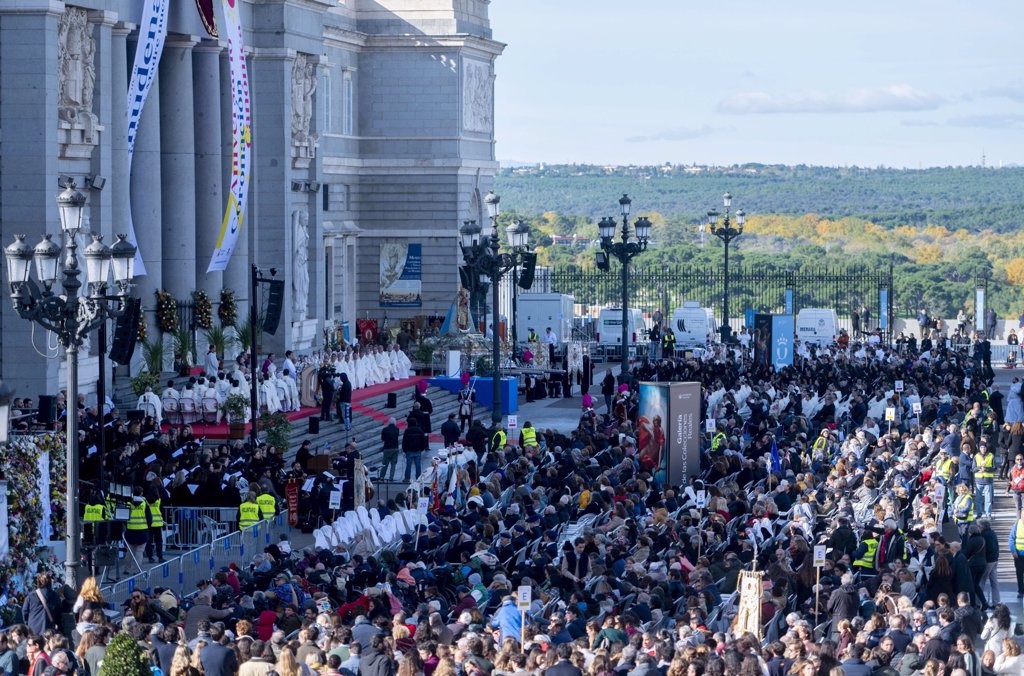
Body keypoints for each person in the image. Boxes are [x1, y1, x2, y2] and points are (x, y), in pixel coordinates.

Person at [402, 418, 427, 482]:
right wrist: (422, 448)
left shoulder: (407, 431)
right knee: (418, 465)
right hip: (418, 450)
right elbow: (423, 440)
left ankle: (407, 478)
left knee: (408, 465)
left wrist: (404, 450)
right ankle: (418, 478)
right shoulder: (419, 430)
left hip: (409, 450)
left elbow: (404, 441)